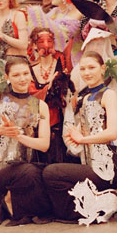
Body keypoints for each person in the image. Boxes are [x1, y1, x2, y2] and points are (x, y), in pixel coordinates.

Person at [42, 51, 117, 222]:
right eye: (83, 68)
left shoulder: (109, 94)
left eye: (92, 67)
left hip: (108, 166)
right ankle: (96, 206)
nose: (87, 72)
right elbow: (82, 132)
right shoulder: (85, 98)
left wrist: (83, 139)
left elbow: (113, 132)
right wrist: (75, 137)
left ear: (103, 69)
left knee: (51, 172)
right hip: (89, 163)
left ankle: (79, 213)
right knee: (50, 172)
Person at [0, 58, 51, 225]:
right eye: (16, 75)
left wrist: (18, 136)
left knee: (37, 175)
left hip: (24, 165)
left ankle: (11, 202)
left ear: (31, 75)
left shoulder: (40, 105)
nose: (22, 78)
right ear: (7, 77)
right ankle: (8, 199)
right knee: (30, 173)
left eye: (26, 73)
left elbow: (44, 145)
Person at [28, 27, 75, 164]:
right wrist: (48, 86)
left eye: (49, 41)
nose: (46, 45)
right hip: (39, 124)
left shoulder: (62, 65)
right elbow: (31, 98)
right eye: (41, 41)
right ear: (34, 45)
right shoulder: (30, 70)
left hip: (59, 123)